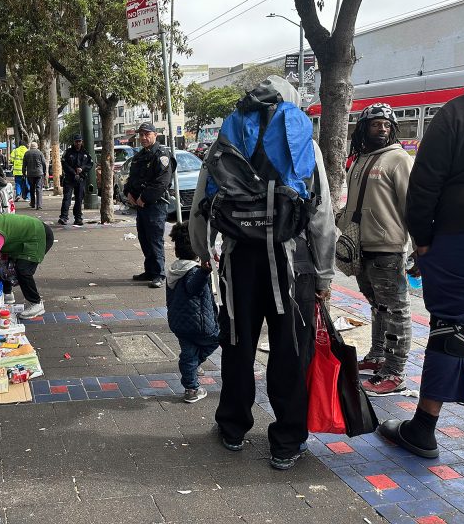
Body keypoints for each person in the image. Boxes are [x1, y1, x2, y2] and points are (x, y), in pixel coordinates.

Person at [188, 75, 335, 471]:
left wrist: (204, 251)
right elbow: (321, 213)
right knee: (289, 350)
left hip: (239, 260)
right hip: (292, 265)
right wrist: (324, 275)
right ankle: (286, 441)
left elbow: (202, 201)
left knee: (238, 344)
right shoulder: (304, 141)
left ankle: (233, 426)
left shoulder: (228, 141)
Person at [379, 24, 464, 457]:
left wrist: (422, 241)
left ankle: (423, 427)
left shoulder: (456, 114)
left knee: (452, 329)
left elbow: (424, 187)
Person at [337, 104, 414, 395]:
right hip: (361, 247)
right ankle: (378, 355)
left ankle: (395, 372)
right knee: (377, 306)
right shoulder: (358, 159)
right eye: (375, 125)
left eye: (386, 125)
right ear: (363, 129)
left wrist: (418, 247)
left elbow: (412, 205)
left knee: (396, 310)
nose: (381, 129)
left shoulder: (398, 160)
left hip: (388, 247)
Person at [166, 222, 219, 403]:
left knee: (188, 353)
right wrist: (204, 272)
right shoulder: (193, 271)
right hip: (200, 323)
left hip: (180, 324)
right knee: (218, 339)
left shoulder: (174, 269)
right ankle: (194, 366)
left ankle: (191, 388)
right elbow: (193, 287)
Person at [124, 122, 172, 288]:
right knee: (144, 239)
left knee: (155, 240)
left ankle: (159, 274)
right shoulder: (139, 156)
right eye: (141, 135)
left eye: (147, 134)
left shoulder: (162, 155)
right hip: (140, 205)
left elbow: (161, 183)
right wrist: (128, 193)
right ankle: (150, 271)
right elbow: (132, 178)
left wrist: (144, 198)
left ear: (155, 135)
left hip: (155, 205)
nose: (143, 138)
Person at [59, 134, 93, 227]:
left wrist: (82, 168)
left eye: (79, 141)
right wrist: (73, 172)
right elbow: (64, 164)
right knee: (67, 198)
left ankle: (78, 218)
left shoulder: (85, 153)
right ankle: (64, 217)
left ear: (82, 142)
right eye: (76, 141)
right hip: (70, 178)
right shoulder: (68, 152)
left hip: (81, 178)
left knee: (79, 199)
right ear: (73, 142)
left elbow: (90, 164)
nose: (78, 143)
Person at [22, 142, 47, 210]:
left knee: (32, 189)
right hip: (39, 173)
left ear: (30, 146)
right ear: (37, 146)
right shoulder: (40, 153)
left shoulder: (27, 153)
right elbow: (44, 163)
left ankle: (32, 203)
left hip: (30, 174)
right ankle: (39, 205)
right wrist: (44, 172)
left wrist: (23, 173)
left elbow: (24, 164)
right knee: (39, 189)